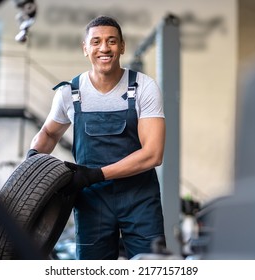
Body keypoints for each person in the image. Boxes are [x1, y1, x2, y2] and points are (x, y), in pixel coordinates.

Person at [27, 15, 166, 260]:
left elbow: (153, 154)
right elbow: (48, 132)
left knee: (152, 265)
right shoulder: (69, 93)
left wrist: (95, 174)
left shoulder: (143, 87)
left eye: (112, 41)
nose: (104, 48)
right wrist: (31, 164)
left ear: (122, 46)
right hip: (92, 202)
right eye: (96, 42)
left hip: (140, 201)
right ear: (85, 48)